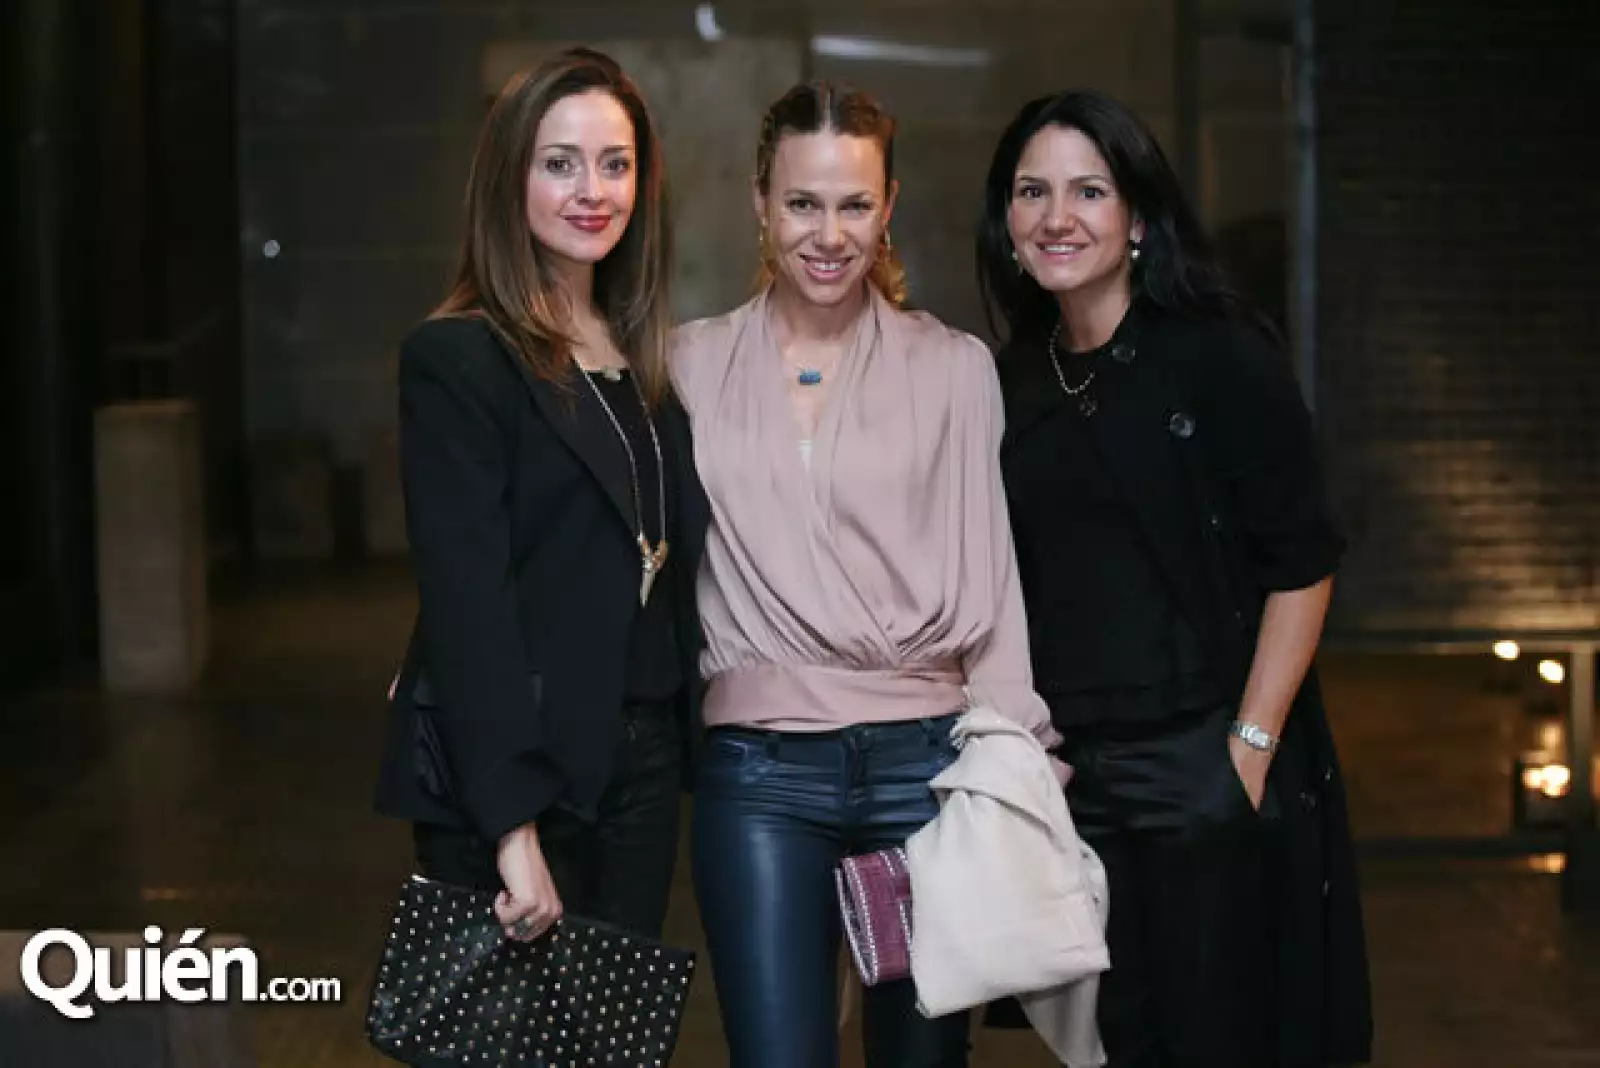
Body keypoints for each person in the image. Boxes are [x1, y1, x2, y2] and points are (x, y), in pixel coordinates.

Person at [974, 89, 1373, 1067]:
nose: (1056, 217)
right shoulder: (1009, 378)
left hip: (1201, 759)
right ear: (1006, 221)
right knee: (1116, 1044)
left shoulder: (1221, 354)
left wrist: (1244, 750)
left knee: (1225, 1038)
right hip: (1072, 779)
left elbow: (1302, 562)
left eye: (1088, 191)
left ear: (1138, 218)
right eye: (1032, 192)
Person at [670, 81, 1065, 1068]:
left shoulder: (954, 369)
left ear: (887, 207)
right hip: (759, 776)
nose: (828, 234)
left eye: (854, 204)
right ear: (760, 203)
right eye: (803, 203)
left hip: (924, 772)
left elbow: (996, 583)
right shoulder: (686, 365)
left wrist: (1017, 772)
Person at [373, 47, 708, 962]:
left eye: (615, 162)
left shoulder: (641, 357)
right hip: (520, 772)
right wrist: (511, 833)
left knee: (612, 1042)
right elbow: (466, 600)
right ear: (508, 177)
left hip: (637, 763)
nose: (591, 189)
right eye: (559, 163)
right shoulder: (459, 358)